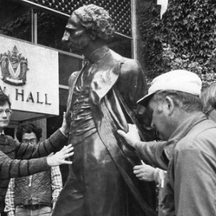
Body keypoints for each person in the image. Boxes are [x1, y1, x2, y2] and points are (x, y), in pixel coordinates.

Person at [52, 4, 156, 216]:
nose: (64, 38)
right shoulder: (75, 77)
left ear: (92, 32)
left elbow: (144, 119)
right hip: (76, 160)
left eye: (71, 31)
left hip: (108, 159)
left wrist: (147, 156)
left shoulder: (125, 68)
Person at [118, 70, 216, 216]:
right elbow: (166, 151)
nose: (151, 124)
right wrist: (136, 144)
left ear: (168, 105)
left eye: (152, 112)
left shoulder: (190, 149)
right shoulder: (207, 134)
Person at [0, 90, 73, 216]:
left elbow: (36, 150)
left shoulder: (8, 141)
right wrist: (48, 161)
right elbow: (7, 166)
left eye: (7, 111)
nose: (5, 115)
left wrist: (63, 131)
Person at [4, 123, 63, 216]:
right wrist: (10, 210)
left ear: (38, 140)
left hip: (44, 210)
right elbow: (10, 187)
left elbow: (57, 186)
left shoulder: (49, 158)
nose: (29, 143)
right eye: (25, 141)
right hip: (21, 210)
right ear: (20, 142)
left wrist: (55, 209)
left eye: (32, 140)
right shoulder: (15, 160)